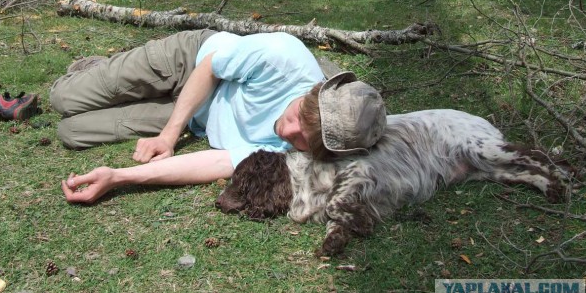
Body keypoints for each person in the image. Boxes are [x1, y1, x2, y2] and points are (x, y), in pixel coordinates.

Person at [52, 30, 387, 204]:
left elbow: (219, 163)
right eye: (300, 115)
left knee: (72, 130)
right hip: (192, 61)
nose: (289, 130)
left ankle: (113, 82)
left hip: (198, 119)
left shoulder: (294, 155)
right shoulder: (282, 58)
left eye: (305, 140)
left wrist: (119, 177)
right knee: (63, 98)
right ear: (312, 94)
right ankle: (95, 69)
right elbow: (210, 66)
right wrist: (168, 137)